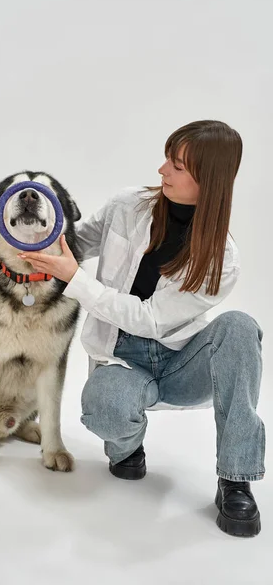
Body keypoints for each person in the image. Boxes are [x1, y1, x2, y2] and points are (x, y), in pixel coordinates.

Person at [18, 120, 265, 538]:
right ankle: (128, 449)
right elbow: (76, 240)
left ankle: (235, 479)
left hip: (182, 361)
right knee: (103, 409)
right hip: (122, 356)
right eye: (168, 157)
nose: (162, 170)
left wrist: (74, 279)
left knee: (240, 327)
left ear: (210, 180)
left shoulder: (224, 258)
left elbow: (150, 318)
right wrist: (28, 226)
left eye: (178, 165)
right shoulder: (128, 205)